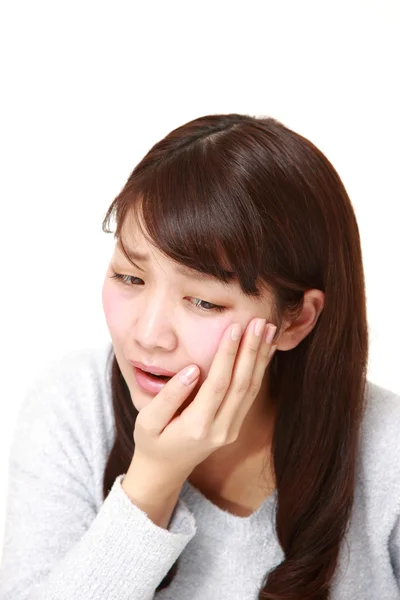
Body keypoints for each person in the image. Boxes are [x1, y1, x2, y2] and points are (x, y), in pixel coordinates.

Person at [0, 113, 399, 600]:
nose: (148, 335)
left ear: (296, 320)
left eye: (204, 302)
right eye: (130, 277)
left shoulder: (388, 453)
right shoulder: (73, 407)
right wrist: (153, 479)